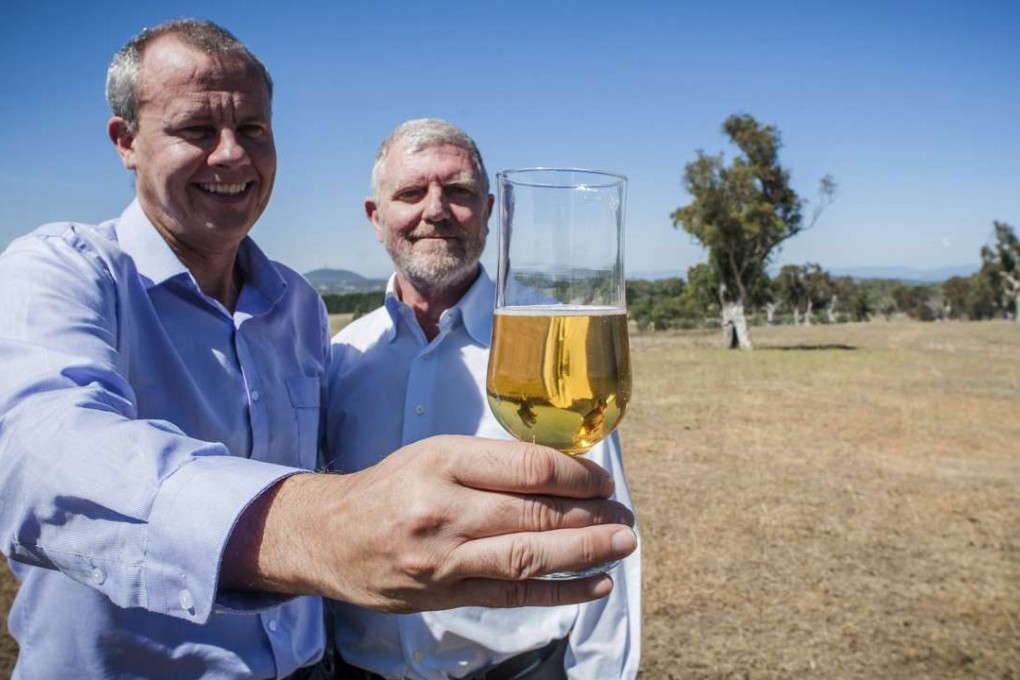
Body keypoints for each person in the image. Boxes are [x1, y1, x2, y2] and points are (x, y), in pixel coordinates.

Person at [0, 21, 636, 679]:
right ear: (126, 140)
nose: (231, 155)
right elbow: (40, 454)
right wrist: (317, 531)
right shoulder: (63, 272)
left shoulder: (298, 309)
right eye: (197, 129)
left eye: (253, 129)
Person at [325, 119, 640, 679]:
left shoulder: (551, 342)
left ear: (491, 212)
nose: (436, 210)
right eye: (410, 193)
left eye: (459, 191)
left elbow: (604, 524)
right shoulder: (340, 358)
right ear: (375, 217)